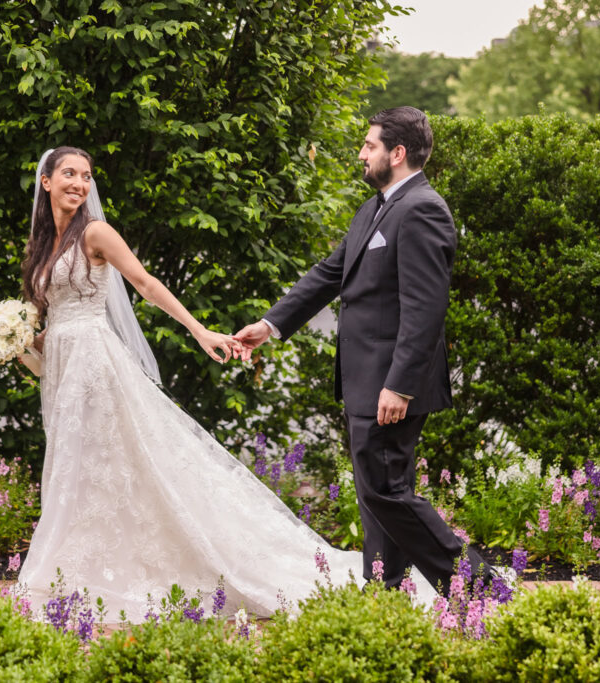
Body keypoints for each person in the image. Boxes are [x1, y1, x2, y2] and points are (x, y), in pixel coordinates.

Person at [15, 146, 431, 621]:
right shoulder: (41, 244)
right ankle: (79, 566)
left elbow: (146, 284)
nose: (79, 183)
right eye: (69, 174)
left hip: (94, 363)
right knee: (74, 461)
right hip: (63, 367)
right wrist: (20, 342)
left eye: (86, 176)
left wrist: (199, 329)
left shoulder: (96, 232)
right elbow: (54, 317)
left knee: (110, 460)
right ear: (45, 181)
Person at [235, 107, 489, 595]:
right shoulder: (375, 208)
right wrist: (270, 325)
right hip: (366, 381)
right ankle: (385, 594)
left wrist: (399, 385)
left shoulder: (422, 209)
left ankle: (477, 587)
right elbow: (331, 273)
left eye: (368, 146)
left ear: (396, 153)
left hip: (390, 385)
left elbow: (424, 309)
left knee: (386, 492)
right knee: (377, 496)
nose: (361, 154)